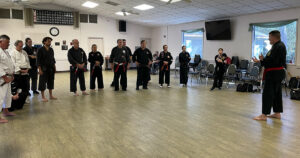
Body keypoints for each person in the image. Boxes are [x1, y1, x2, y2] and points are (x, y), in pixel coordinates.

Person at [252, 30, 286, 121]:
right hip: (277, 73)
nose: (268, 39)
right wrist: (263, 59)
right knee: (276, 93)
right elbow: (272, 59)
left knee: (268, 93)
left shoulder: (278, 47)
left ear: (274, 37)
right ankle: (277, 113)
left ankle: (264, 115)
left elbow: (272, 61)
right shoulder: (278, 46)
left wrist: (261, 61)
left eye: (270, 37)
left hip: (273, 73)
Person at [9, 40, 31, 111]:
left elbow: (27, 61)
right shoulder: (12, 53)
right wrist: (21, 70)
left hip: (25, 73)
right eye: (20, 46)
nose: (21, 47)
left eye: (22, 46)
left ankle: (21, 103)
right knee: (16, 90)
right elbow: (13, 64)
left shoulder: (24, 52)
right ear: (16, 45)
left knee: (25, 89)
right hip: (17, 73)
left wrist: (27, 69)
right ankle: (14, 104)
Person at [37, 37, 57, 102]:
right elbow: (38, 60)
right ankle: (43, 97)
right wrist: (39, 69)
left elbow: (53, 59)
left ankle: (51, 95)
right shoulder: (40, 49)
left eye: (50, 41)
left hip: (51, 68)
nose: (49, 42)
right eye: (48, 41)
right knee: (42, 82)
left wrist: (54, 66)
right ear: (44, 42)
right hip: (43, 68)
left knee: (51, 82)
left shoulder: (51, 49)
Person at [0, 35, 15, 123]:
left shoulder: (5, 51)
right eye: (7, 43)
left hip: (8, 77)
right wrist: (5, 77)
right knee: (0, 97)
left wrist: (12, 73)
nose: (8, 45)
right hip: (2, 78)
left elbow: (9, 64)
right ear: (0, 41)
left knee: (7, 96)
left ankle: (6, 111)